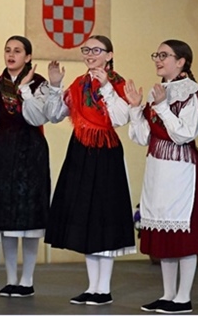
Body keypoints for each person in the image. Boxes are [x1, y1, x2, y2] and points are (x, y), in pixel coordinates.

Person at [39, 35, 135, 306]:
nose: (90, 54)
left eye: (96, 50)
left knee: (103, 217)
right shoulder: (79, 84)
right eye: (87, 50)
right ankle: (93, 287)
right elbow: (56, 114)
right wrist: (56, 85)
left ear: (109, 55)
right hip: (80, 151)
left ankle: (104, 289)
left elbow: (119, 118)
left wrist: (105, 86)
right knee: (86, 218)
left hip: (105, 153)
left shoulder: (117, 83)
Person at [123, 40, 198, 315]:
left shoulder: (191, 93)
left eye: (164, 55)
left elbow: (184, 133)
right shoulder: (158, 91)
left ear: (181, 61)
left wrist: (161, 108)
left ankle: (183, 297)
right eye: (156, 55)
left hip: (180, 168)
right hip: (157, 167)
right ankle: (168, 294)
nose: (158, 59)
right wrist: (136, 108)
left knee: (183, 231)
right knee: (163, 230)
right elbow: (143, 136)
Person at [0, 36, 51, 298]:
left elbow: (36, 117)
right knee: (7, 217)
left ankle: (28, 278)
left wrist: (24, 89)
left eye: (17, 51)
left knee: (30, 217)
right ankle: (11, 278)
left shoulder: (40, 84)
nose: (11, 55)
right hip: (1, 150)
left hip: (30, 150)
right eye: (8, 50)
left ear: (28, 57)